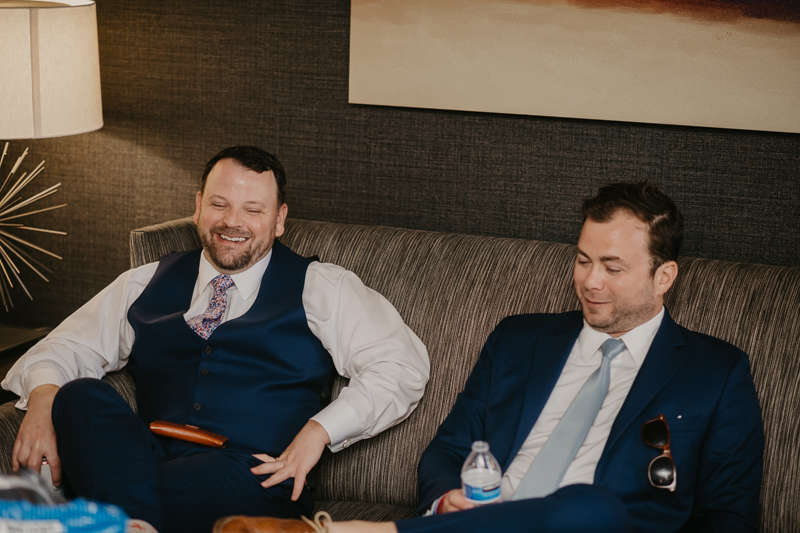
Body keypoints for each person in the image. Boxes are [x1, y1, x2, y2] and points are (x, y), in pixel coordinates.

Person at [220, 181, 764, 533]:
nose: (590, 282)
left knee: (587, 507)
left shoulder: (715, 372)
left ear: (663, 275)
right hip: (476, 523)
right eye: (581, 260)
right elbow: (448, 449)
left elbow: (728, 515)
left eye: (614, 268)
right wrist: (443, 503)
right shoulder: (520, 340)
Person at [2, 146, 430, 533]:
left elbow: (400, 366)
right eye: (219, 204)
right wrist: (42, 402)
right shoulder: (147, 281)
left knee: (125, 489)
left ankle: (105, 515)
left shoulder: (322, 287)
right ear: (198, 207)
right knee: (79, 394)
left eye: (253, 210)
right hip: (147, 458)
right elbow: (63, 347)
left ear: (280, 220)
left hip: (254, 475)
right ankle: (128, 522)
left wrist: (320, 431)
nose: (232, 222)